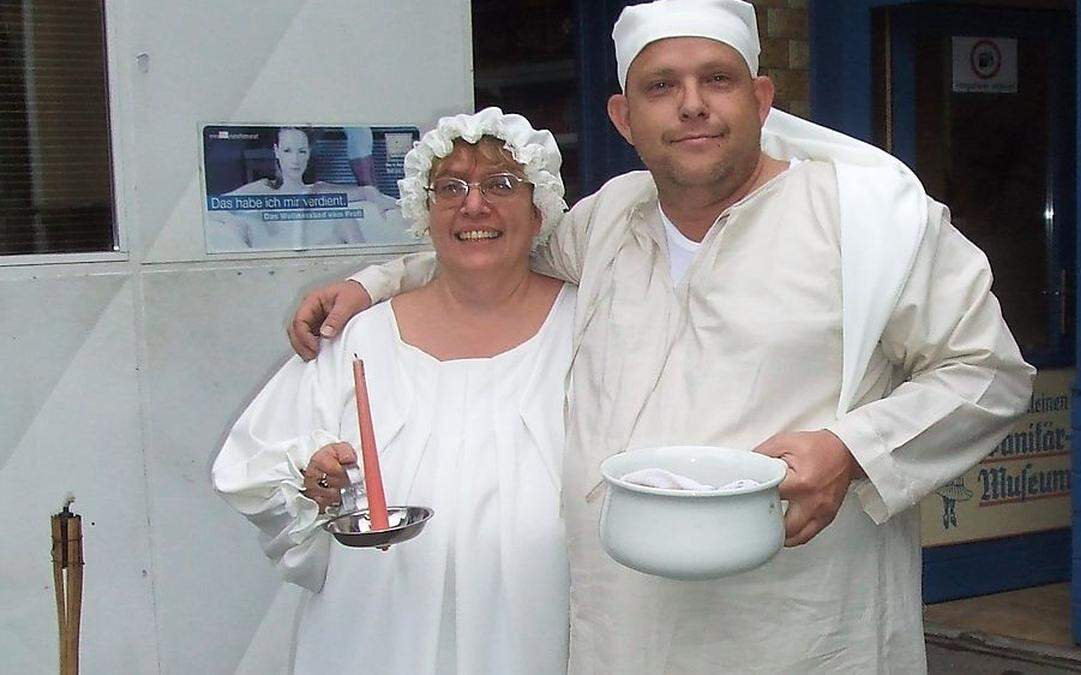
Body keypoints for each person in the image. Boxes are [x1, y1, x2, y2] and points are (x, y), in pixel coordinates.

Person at [286, 1, 1035, 671]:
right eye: (661, 87)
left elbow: (987, 372)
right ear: (623, 117)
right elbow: (492, 251)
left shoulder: (868, 221)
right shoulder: (609, 218)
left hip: (802, 636)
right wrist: (377, 284)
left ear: (761, 99)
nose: (692, 106)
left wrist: (851, 451)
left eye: (717, 79)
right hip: (622, 638)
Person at [212, 108, 574, 674]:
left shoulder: (590, 330)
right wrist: (314, 482)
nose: (473, 205)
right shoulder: (360, 338)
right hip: (377, 633)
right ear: (422, 211)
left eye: (502, 185)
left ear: (540, 208)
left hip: (548, 629)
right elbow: (256, 469)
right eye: (450, 187)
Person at [207, 126, 401, 250]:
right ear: (277, 151)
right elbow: (216, 206)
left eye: (301, 151)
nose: (295, 160)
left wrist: (385, 202)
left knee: (345, 218)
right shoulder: (262, 189)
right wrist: (237, 224)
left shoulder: (319, 190)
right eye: (287, 151)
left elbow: (366, 191)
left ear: (308, 153)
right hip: (270, 265)